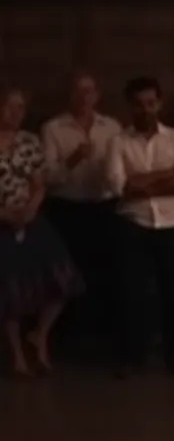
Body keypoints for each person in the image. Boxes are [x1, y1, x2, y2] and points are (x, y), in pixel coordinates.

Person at [105, 77, 174, 379]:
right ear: (129, 106)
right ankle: (133, 356)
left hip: (172, 223)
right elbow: (120, 185)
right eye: (139, 104)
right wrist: (162, 177)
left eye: (151, 103)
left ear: (159, 103)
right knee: (132, 293)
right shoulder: (118, 142)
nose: (146, 110)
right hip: (134, 222)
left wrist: (143, 181)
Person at [0, 85, 82, 376]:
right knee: (10, 289)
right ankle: (17, 355)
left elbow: (39, 183)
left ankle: (40, 335)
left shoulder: (29, 142)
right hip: (2, 220)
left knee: (61, 277)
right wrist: (6, 214)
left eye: (21, 108)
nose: (16, 113)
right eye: (10, 106)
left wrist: (30, 210)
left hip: (31, 217)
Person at [41, 71, 121, 338]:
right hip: (67, 209)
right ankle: (69, 333)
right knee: (70, 273)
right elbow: (49, 178)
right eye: (79, 91)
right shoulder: (53, 128)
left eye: (89, 91)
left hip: (105, 207)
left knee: (105, 270)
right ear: (70, 95)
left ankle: (101, 332)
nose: (84, 97)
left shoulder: (112, 127)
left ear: (97, 95)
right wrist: (74, 158)